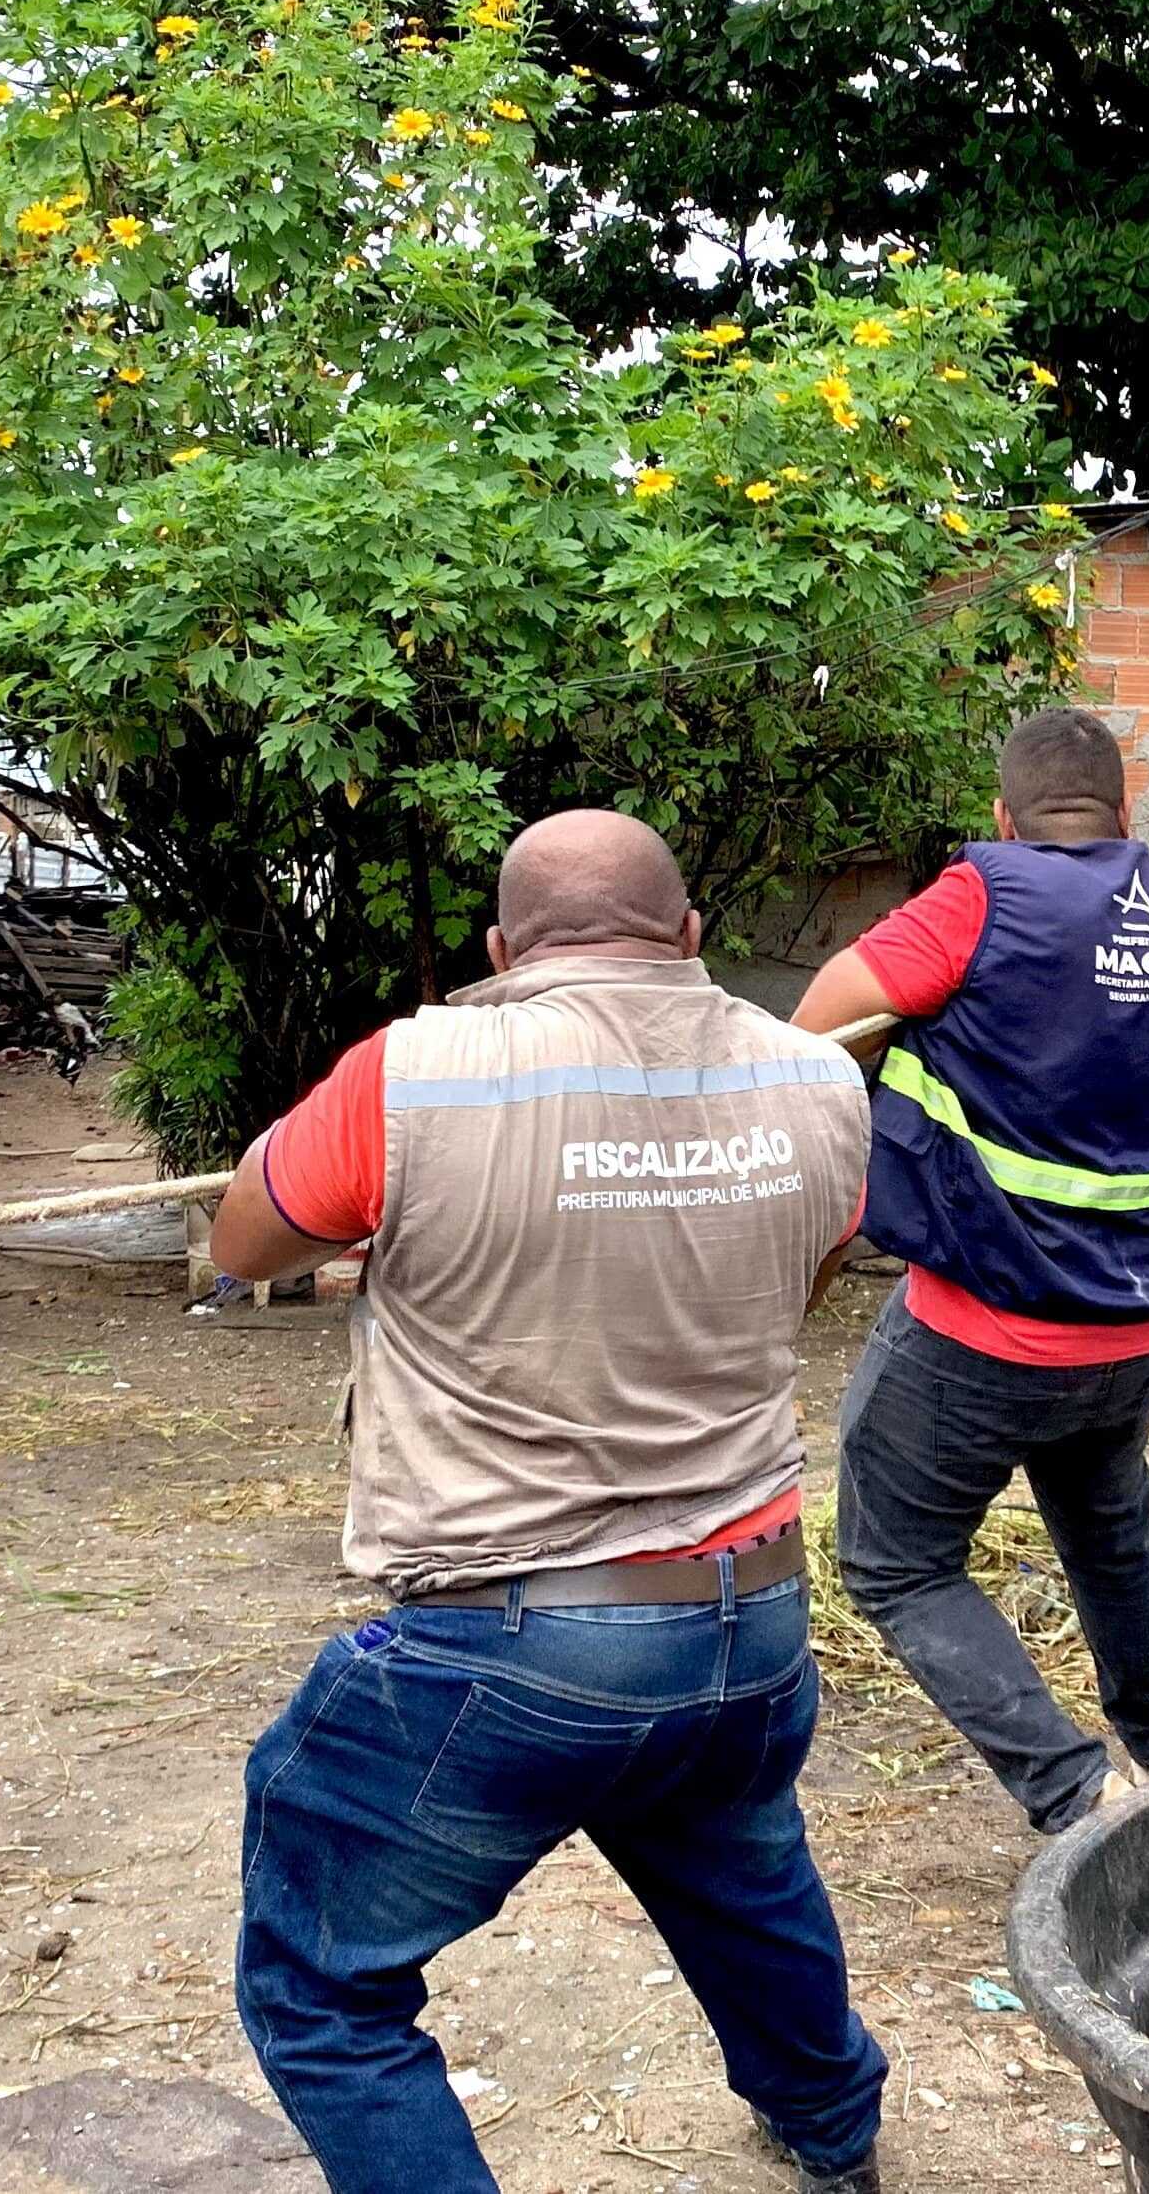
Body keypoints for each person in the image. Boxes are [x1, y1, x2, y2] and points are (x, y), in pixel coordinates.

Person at [209, 810, 889, 2194]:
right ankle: (837, 2138)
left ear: (504, 950)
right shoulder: (822, 1081)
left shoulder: (415, 1071)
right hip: (746, 1624)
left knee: (320, 1985)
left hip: (514, 1644)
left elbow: (245, 1246)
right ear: (691, 936)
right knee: (738, 1866)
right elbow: (805, 1278)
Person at [794, 708, 1149, 1834]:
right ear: (1127, 815)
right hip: (1139, 1332)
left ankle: (1074, 1792)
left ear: (1003, 817)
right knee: (1108, 1524)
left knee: (893, 1562)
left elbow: (814, 1035)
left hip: (986, 1329)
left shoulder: (978, 897)